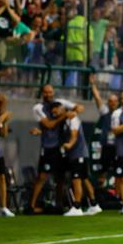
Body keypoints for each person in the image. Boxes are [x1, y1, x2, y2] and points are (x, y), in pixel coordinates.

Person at [29, 84, 83, 214]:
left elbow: (80, 107)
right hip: (47, 147)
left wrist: (73, 112)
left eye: (50, 92)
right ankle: (31, 206)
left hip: (60, 147)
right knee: (42, 177)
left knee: (61, 177)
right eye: (46, 92)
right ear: (42, 93)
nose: (49, 94)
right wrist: (65, 115)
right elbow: (48, 124)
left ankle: (59, 205)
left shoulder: (60, 103)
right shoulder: (38, 108)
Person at [56, 103, 102, 217]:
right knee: (84, 179)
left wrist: (69, 145)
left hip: (78, 154)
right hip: (77, 154)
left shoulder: (73, 120)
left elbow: (74, 135)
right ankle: (94, 205)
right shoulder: (65, 121)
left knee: (76, 179)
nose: (55, 113)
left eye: (57, 110)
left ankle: (77, 206)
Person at [90, 75, 119, 187]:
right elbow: (97, 98)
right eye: (110, 101)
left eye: (115, 101)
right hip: (107, 146)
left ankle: (118, 197)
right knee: (103, 172)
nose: (112, 103)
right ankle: (100, 194)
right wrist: (93, 84)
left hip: (119, 147)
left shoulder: (121, 113)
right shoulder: (105, 112)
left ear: (117, 102)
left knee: (120, 173)